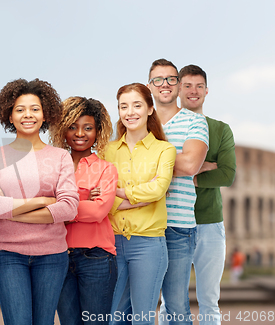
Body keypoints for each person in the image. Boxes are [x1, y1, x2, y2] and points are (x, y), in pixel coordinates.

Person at [0, 78, 79, 325]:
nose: (27, 115)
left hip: (52, 255)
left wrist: (10, 210)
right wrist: (42, 200)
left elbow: (68, 207)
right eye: (20, 109)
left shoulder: (60, 156)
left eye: (35, 109)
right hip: (9, 254)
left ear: (45, 115)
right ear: (9, 116)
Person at [104, 83, 176, 325]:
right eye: (123, 106)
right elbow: (98, 196)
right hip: (112, 244)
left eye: (137, 105)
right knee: (113, 320)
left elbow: (158, 190)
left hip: (148, 245)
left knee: (141, 319)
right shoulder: (107, 151)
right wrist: (136, 199)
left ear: (149, 109)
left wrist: (119, 193)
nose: (130, 112)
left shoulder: (164, 150)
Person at [147, 59, 209, 325]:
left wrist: (148, 160)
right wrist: (174, 156)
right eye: (158, 80)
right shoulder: (139, 119)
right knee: (138, 304)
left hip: (178, 224)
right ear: (149, 86)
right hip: (143, 223)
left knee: (176, 306)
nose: (165, 85)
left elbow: (191, 164)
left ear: (178, 84)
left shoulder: (195, 122)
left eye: (171, 79)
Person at [50, 97, 118, 325]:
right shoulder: (54, 167)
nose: (80, 133)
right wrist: (83, 197)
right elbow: (45, 207)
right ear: (63, 130)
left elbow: (99, 212)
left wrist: (63, 206)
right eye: (73, 127)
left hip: (97, 257)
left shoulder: (106, 169)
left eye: (88, 128)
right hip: (58, 257)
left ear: (98, 132)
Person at [179, 64, 236, 325]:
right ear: (178, 89)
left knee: (209, 301)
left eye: (199, 86)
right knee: (171, 300)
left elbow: (226, 175)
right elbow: (156, 171)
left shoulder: (220, 129)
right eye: (188, 85)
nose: (193, 91)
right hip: (172, 222)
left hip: (210, 223)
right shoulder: (165, 127)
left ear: (207, 90)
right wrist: (205, 166)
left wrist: (186, 170)